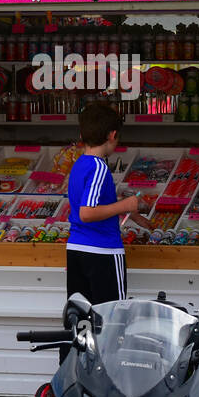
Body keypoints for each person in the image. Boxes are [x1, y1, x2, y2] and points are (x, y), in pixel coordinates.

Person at [65, 103, 138, 349]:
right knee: (112, 321)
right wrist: (126, 204)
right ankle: (109, 376)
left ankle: (78, 371)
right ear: (112, 135)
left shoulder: (79, 165)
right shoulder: (98, 167)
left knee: (81, 319)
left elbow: (86, 206)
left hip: (78, 250)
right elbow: (87, 213)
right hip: (102, 252)